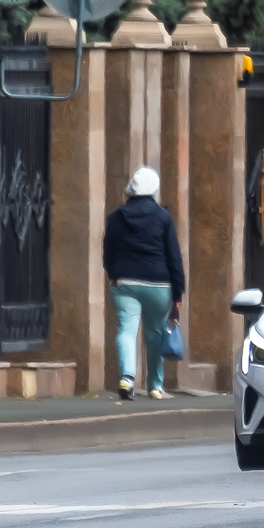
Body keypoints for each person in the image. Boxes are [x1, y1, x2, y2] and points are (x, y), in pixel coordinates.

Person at [103, 167, 184, 400]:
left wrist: (114, 273)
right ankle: (155, 386)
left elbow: (108, 252)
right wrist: (178, 291)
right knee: (155, 333)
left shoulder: (116, 218)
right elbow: (174, 257)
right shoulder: (163, 218)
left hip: (125, 282)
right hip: (159, 284)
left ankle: (127, 378)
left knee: (126, 330)